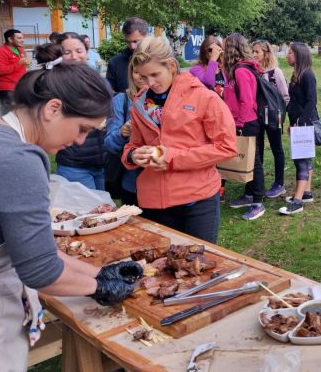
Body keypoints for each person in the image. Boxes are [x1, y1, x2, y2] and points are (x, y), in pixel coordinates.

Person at [0, 64, 138, 372]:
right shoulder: (20, 160)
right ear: (52, 109)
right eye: (82, 129)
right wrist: (102, 288)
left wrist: (98, 272)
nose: (78, 141)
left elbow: (37, 249)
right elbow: (40, 270)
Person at [123, 36, 237, 242]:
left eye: (155, 75)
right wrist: (132, 155)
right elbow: (134, 144)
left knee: (198, 267)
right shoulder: (140, 101)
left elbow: (226, 147)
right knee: (158, 268)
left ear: (172, 66)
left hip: (197, 200)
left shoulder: (204, 97)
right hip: (153, 201)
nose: (150, 83)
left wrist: (172, 157)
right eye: (143, 76)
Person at [55, 33, 109, 190]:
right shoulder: (54, 83)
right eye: (67, 52)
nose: (74, 56)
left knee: (103, 211)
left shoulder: (99, 80)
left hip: (100, 162)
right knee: (83, 211)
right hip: (74, 163)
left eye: (79, 50)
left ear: (87, 51)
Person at [221, 34, 266, 221]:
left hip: (247, 123)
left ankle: (258, 203)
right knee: (248, 160)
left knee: (254, 163)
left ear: (231, 49)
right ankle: (249, 196)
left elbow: (247, 101)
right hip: (241, 122)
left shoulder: (241, 71)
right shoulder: (237, 70)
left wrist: (239, 124)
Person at [280, 43, 318, 215]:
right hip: (297, 123)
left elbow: (311, 101)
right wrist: (291, 121)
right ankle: (306, 193)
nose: (287, 56)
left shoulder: (308, 75)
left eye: (290, 53)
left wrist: (300, 122)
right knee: (305, 159)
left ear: (299, 56)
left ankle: (297, 201)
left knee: (301, 161)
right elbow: (295, 102)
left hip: (304, 125)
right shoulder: (297, 74)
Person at [251, 40, 289, 199]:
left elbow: (285, 96)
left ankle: (279, 183)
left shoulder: (276, 73)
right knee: (257, 151)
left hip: (274, 117)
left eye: (257, 52)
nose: (254, 55)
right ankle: (256, 184)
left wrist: (282, 115)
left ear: (266, 54)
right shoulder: (253, 71)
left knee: (276, 148)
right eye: (252, 51)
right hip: (257, 117)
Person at [104, 63, 144, 205]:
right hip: (131, 182)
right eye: (136, 72)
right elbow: (109, 144)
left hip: (163, 182)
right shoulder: (122, 100)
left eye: (147, 72)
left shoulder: (168, 99)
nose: (141, 77)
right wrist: (122, 132)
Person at [106, 17, 149, 94]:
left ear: (147, 36)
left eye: (136, 41)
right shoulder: (115, 63)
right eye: (128, 42)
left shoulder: (159, 59)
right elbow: (109, 93)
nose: (132, 46)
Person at [0, 28, 28, 111]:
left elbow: (20, 66)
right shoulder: (0, 52)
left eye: (22, 38)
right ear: (10, 39)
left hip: (19, 87)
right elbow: (0, 71)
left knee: (19, 114)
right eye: (19, 38)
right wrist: (19, 63)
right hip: (7, 89)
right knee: (9, 115)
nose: (22, 40)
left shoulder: (19, 49)